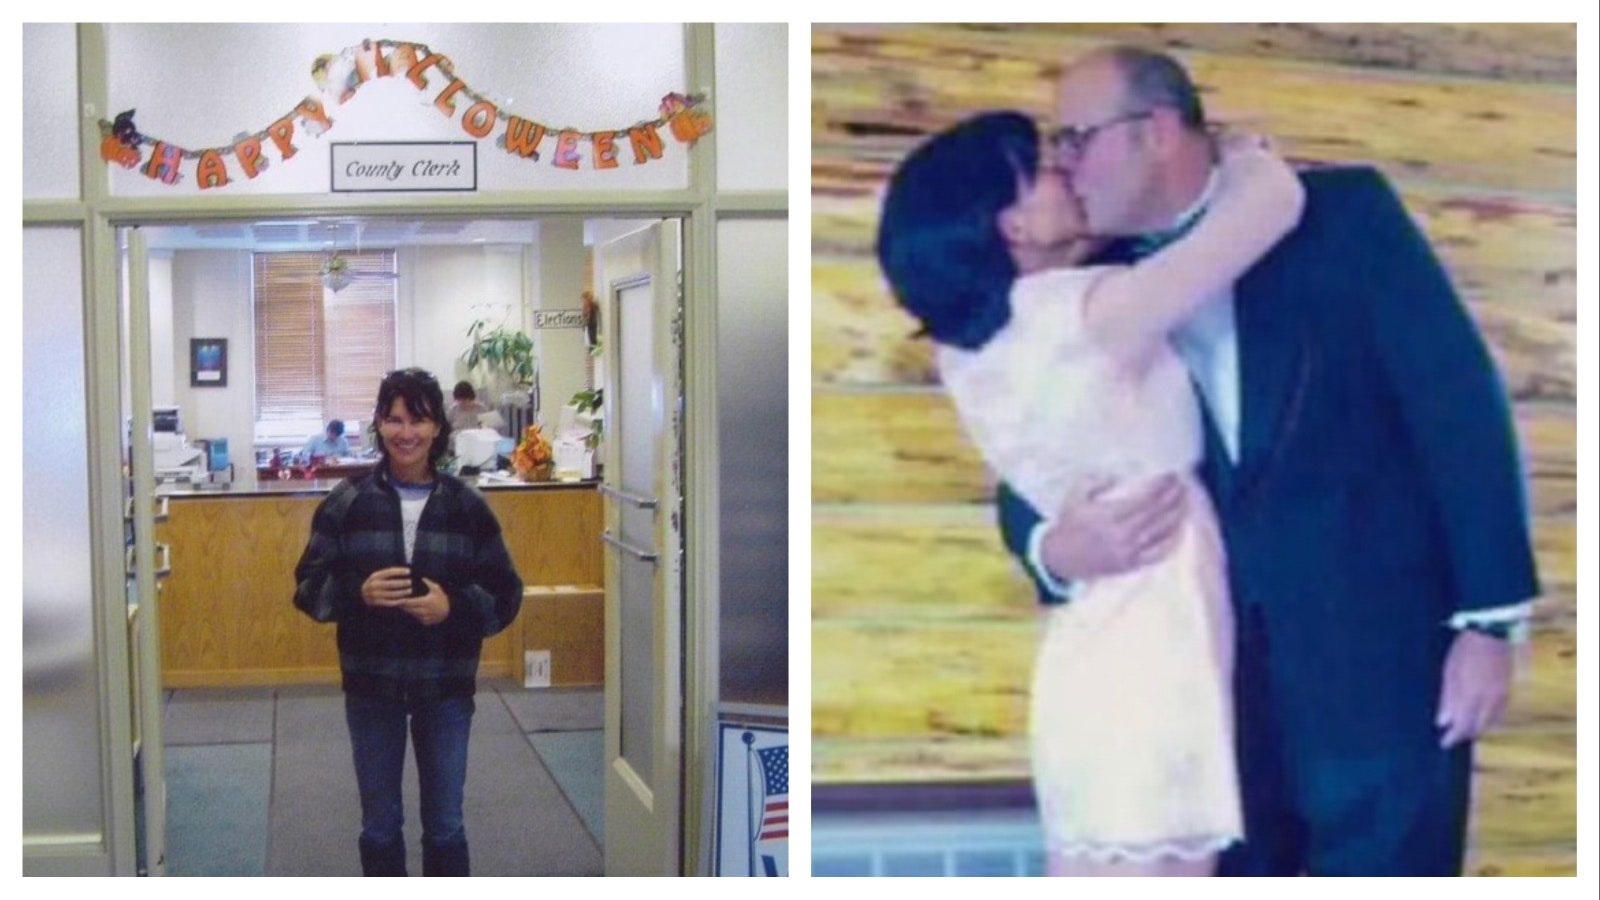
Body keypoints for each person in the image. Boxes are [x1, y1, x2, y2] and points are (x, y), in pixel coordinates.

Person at [998, 46, 1541, 876]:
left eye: (1076, 138)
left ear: (1157, 131)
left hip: (1383, 671)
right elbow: (1028, 451)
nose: (1065, 166)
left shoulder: (1345, 216)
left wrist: (1488, 622)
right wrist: (1050, 547)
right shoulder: (1085, 284)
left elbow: (1457, 405)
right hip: (1205, 693)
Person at [878, 111, 1303, 876]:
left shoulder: (971, 344)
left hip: (1098, 647)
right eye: (1040, 168)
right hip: (1153, 640)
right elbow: (1271, 206)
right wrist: (1239, 154)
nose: (1065, 172)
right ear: (1011, 223)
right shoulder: (1090, 311)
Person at [292, 367, 523, 876]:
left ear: (438, 427)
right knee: (379, 824)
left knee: (445, 824)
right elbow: (307, 589)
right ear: (378, 423)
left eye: (417, 420)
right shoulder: (347, 503)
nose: (405, 433)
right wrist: (357, 595)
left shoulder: (468, 507)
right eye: (393, 419)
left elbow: (507, 594)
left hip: (446, 686)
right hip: (372, 685)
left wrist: (455, 608)